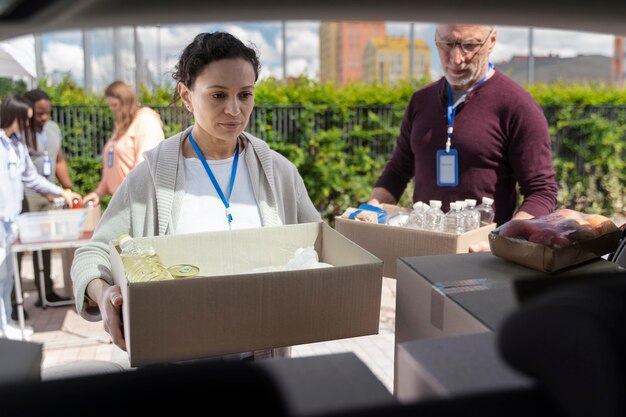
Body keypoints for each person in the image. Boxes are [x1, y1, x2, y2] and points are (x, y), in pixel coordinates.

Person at [71, 32, 321, 359]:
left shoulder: (279, 173)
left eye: (245, 94)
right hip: (177, 366)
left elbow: (317, 250)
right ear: (187, 96)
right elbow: (92, 254)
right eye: (218, 95)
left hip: (262, 362)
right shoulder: (150, 179)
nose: (234, 109)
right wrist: (103, 294)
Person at [369, 24, 557, 228]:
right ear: (435, 38)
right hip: (422, 245)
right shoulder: (421, 100)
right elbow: (398, 171)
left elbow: (542, 191)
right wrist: (371, 209)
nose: (456, 58)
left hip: (483, 254)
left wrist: (502, 238)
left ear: (491, 41)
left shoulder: (518, 105)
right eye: (447, 44)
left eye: (469, 45)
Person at [0, 95, 80, 340]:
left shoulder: (17, 145)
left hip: (12, 220)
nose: (30, 124)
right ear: (16, 116)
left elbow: (31, 178)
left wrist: (62, 191)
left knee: (7, 276)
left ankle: (4, 325)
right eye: (27, 119)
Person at [82, 80, 165, 206]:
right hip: (124, 200)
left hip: (139, 201)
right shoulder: (125, 126)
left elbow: (145, 164)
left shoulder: (146, 122)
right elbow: (112, 166)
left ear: (126, 101)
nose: (112, 110)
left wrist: (128, 194)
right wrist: (98, 193)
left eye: (114, 105)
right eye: (110, 106)